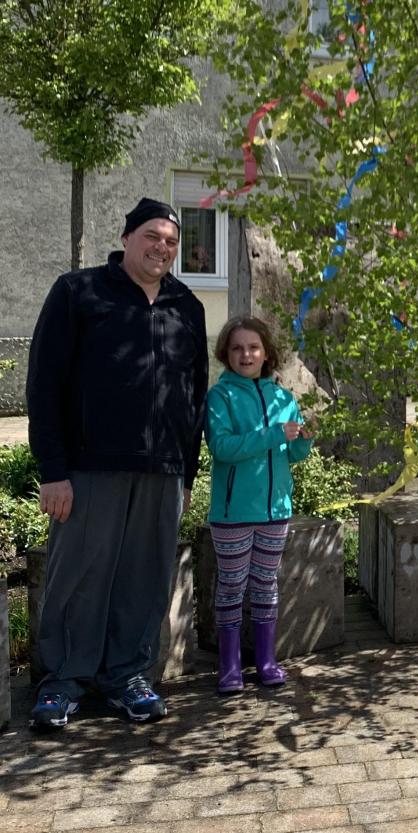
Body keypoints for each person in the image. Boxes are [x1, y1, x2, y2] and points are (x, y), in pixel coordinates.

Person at [26, 198, 208, 727]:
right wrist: (53, 470)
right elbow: (45, 384)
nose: (162, 247)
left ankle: (128, 675)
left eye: (172, 241)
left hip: (164, 468)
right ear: (127, 238)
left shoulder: (186, 306)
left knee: (144, 578)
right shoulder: (78, 293)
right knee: (80, 573)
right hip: (89, 467)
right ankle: (63, 680)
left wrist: (188, 472)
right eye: (153, 236)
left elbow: (194, 394)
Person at [205, 316, 313, 694]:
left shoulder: (284, 398)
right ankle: (229, 666)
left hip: (276, 510)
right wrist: (272, 434)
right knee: (232, 587)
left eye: (253, 347)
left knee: (266, 585)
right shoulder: (220, 397)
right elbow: (222, 447)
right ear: (226, 354)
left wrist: (304, 439)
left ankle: (267, 661)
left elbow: (293, 454)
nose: (245, 354)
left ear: (266, 353)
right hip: (233, 513)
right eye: (237, 348)